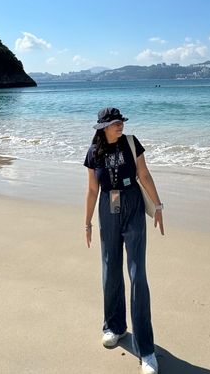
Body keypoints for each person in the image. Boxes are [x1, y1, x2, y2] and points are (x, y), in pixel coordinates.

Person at [84, 106, 165, 374]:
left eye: (121, 122)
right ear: (103, 127)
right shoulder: (94, 152)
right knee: (110, 271)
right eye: (115, 123)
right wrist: (87, 223)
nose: (120, 126)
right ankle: (114, 326)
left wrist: (158, 206)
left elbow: (144, 174)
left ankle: (146, 350)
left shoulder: (131, 143)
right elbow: (92, 189)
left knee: (137, 275)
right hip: (107, 208)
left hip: (132, 206)